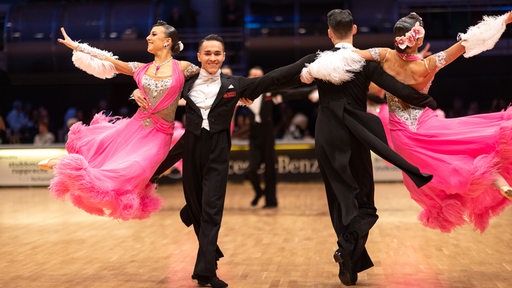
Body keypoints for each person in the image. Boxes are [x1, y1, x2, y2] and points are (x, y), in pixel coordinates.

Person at [133, 34, 306, 288]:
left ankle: (205, 271)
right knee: (198, 208)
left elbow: (273, 79)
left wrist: (309, 61)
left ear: (224, 57)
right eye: (208, 53)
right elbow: (153, 86)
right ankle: (194, 218)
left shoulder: (235, 84)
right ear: (199, 57)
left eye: (217, 54)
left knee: (212, 210)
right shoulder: (185, 82)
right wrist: (137, 90)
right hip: (190, 149)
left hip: (217, 153)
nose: (213, 58)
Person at [321, 11, 512, 233]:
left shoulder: (384, 56)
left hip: (403, 138)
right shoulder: (428, 65)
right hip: (428, 125)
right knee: (466, 144)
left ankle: (494, 180)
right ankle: (499, 181)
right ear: (418, 39)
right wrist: (503, 20)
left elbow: (352, 55)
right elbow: (467, 41)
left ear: (399, 39)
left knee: (448, 169)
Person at [295, 9, 439, 286]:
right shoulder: (365, 61)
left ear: (329, 32)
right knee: (366, 207)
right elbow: (397, 88)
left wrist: (249, 89)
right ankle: (347, 250)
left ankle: (348, 257)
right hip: (357, 136)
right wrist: (427, 101)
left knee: (340, 203)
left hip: (327, 135)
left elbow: (282, 78)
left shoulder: (322, 61)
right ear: (355, 29)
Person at [37, 21, 198, 221]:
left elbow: (212, 82)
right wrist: (79, 47)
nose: (148, 37)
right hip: (135, 127)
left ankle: (70, 168)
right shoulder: (140, 69)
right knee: (109, 158)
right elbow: (109, 60)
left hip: (160, 134)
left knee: (136, 168)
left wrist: (240, 94)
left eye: (153, 34)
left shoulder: (183, 67)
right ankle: (70, 168)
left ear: (167, 42)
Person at [243, 66, 278, 208]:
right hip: (254, 136)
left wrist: (311, 92)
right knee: (251, 170)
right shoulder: (244, 94)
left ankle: (271, 200)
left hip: (268, 135)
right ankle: (259, 192)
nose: (255, 77)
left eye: (258, 75)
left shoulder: (270, 93)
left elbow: (290, 93)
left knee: (270, 170)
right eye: (252, 75)